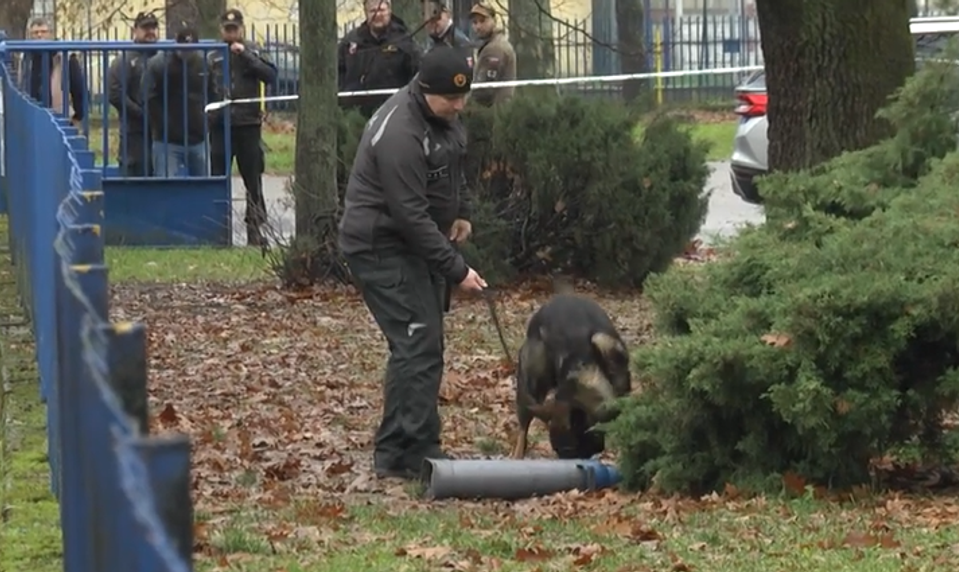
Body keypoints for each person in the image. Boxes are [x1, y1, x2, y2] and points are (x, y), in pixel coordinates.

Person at [338, 48, 487, 480]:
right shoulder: (401, 132)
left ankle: (409, 445)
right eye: (451, 100)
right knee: (416, 339)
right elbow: (411, 217)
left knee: (420, 340)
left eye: (464, 98)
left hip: (409, 242)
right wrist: (457, 270)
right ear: (425, 91)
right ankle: (407, 451)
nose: (459, 107)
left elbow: (454, 168)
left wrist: (461, 213)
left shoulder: (441, 117)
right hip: (379, 245)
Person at [208, 8, 278, 247]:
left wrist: (246, 55)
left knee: (252, 179)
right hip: (220, 126)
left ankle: (254, 228)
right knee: (217, 177)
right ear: (221, 30)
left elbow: (270, 75)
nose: (231, 33)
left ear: (241, 28)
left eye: (234, 29)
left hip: (247, 124)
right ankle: (218, 229)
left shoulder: (254, 51)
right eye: (227, 29)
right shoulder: (212, 54)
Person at [143, 25, 216, 177]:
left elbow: (214, 94)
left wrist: (208, 121)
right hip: (167, 140)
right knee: (166, 188)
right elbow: (148, 97)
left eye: (190, 49)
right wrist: (162, 124)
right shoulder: (159, 65)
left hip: (198, 137)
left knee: (203, 186)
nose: (186, 54)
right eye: (182, 49)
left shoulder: (204, 64)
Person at [338, 0, 421, 118]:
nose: (377, 15)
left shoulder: (404, 41)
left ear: (389, 11)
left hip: (395, 113)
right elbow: (338, 71)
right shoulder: (351, 41)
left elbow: (416, 74)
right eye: (372, 11)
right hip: (356, 115)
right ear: (366, 13)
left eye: (381, 10)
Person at [107, 11, 159, 176]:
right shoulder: (125, 59)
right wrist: (141, 113)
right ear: (135, 30)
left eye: (153, 27)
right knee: (135, 179)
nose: (150, 31)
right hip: (134, 132)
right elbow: (114, 93)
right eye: (145, 28)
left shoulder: (164, 56)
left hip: (161, 131)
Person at [18, 17, 87, 125]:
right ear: (30, 35)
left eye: (43, 32)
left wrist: (78, 115)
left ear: (51, 34)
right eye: (35, 33)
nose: (40, 35)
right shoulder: (26, 57)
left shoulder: (65, 56)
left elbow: (78, 87)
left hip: (60, 115)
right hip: (33, 115)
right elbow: (21, 84)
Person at [469, 3, 516, 106]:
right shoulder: (494, 44)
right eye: (474, 22)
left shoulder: (494, 49)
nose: (478, 26)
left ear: (494, 20)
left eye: (483, 21)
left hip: (493, 113)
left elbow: (483, 90)